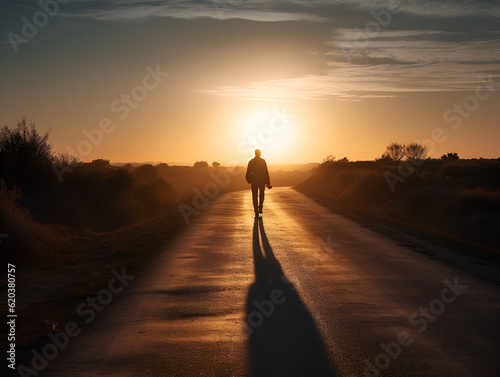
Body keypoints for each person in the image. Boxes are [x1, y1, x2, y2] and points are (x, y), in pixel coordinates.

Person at [246, 149, 271, 216]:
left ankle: (256, 210)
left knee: (254, 195)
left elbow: (248, 172)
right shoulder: (262, 161)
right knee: (261, 194)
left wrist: (249, 180)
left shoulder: (251, 162)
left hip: (254, 181)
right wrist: (268, 183)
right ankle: (260, 207)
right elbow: (266, 172)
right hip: (261, 181)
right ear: (259, 154)